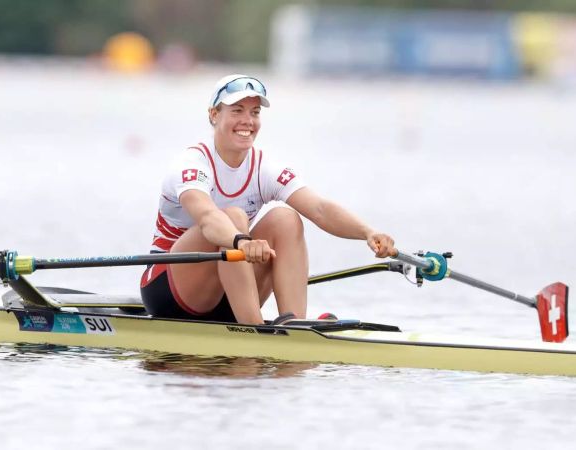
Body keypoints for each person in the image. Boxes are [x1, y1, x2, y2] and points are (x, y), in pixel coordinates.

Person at [140, 74, 395, 325]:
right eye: (237, 111)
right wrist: (240, 240)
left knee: (286, 218)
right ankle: (254, 329)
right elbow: (208, 218)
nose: (247, 121)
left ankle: (293, 324)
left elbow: (319, 209)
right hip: (170, 290)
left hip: (230, 291)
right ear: (214, 115)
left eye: (254, 113)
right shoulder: (192, 164)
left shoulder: (264, 167)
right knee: (234, 217)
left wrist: (367, 233)